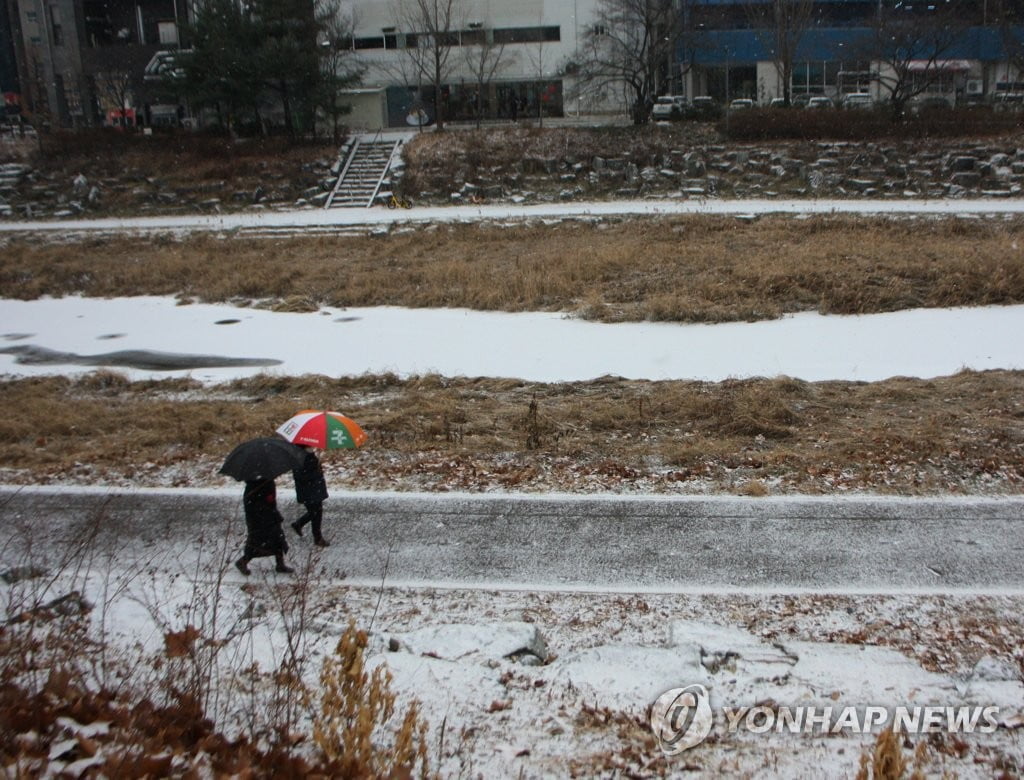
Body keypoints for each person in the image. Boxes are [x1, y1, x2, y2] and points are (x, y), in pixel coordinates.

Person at [235, 478, 294, 575]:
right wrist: (268, 500)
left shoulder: (256, 483)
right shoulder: (260, 484)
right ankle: (243, 561)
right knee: (260, 540)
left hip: (265, 516)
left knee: (276, 538)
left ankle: (280, 564)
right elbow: (263, 501)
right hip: (263, 518)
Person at [290, 446, 330, 547]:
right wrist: (316, 472)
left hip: (313, 489)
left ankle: (299, 524)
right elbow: (301, 475)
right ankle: (317, 538)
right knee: (316, 513)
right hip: (309, 490)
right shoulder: (301, 457)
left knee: (316, 512)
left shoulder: (307, 455)